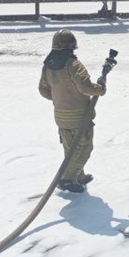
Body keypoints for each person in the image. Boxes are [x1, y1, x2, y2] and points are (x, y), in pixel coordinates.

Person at [38, 30, 107, 193]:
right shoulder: (73, 65)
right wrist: (100, 89)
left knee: (70, 148)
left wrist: (59, 99)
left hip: (60, 115)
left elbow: (43, 89)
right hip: (79, 117)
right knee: (84, 148)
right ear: (72, 44)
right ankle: (68, 179)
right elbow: (85, 87)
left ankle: (78, 175)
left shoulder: (48, 64)